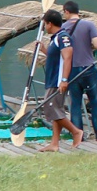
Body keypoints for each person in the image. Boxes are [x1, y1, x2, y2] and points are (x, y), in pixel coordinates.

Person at [35, 9, 83, 152]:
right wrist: (44, 49)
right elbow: (55, 57)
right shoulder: (55, 38)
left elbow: (67, 58)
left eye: (45, 24)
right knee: (57, 110)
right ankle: (54, 143)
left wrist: (64, 79)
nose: (45, 27)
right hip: (52, 79)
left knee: (50, 107)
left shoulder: (63, 38)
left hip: (58, 81)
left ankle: (76, 131)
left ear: (50, 23)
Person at [61, 0, 97, 141]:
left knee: (75, 103)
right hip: (88, 68)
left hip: (72, 70)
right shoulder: (89, 24)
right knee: (95, 102)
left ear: (67, 11)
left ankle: (78, 135)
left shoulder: (63, 28)